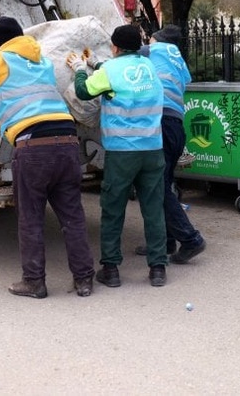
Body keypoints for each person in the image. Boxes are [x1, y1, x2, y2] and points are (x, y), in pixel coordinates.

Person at [0, 17, 95, 299]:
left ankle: (34, 282)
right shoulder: (43, 62)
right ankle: (84, 280)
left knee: (31, 218)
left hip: (34, 146)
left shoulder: (0, 60)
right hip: (67, 142)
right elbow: (24, 89)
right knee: (72, 216)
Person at [66, 24, 168, 288]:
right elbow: (125, 78)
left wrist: (79, 69)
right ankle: (158, 269)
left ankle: (110, 269)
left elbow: (83, 91)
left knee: (113, 210)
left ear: (115, 47)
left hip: (123, 152)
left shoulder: (111, 70)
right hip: (153, 150)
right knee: (153, 209)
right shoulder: (150, 69)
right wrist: (98, 64)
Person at [135, 25, 207, 264]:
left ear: (157, 39)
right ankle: (165, 241)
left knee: (157, 186)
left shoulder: (153, 50)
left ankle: (190, 239)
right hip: (176, 126)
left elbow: (122, 58)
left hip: (160, 123)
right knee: (163, 182)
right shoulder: (179, 61)